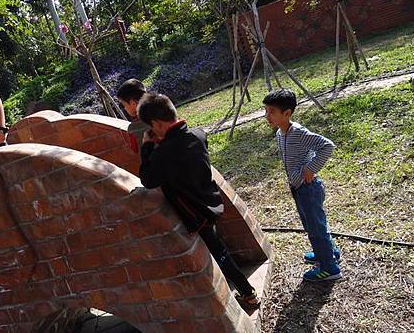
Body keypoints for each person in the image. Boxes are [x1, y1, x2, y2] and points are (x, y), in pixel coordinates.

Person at [138, 92, 259, 306]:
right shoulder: (197, 134)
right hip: (209, 201)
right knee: (219, 247)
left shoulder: (166, 153)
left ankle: (248, 294)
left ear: (156, 124)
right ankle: (243, 289)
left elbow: (148, 179)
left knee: (220, 253)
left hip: (195, 214)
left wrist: (147, 147)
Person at [263, 88, 341, 282]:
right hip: (298, 188)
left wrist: (310, 169)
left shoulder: (298, 132)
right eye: (266, 111)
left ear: (287, 113)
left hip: (309, 189)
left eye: (271, 111)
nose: (267, 116)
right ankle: (327, 252)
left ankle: (329, 268)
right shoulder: (281, 133)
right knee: (311, 225)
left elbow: (326, 146)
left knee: (316, 228)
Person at [116, 79, 150, 153]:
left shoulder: (133, 129)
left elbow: (135, 149)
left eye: (124, 105)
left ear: (133, 103)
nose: (125, 108)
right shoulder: (162, 111)